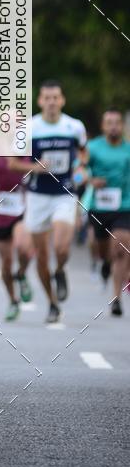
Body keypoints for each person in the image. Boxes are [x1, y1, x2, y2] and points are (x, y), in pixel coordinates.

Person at [10, 81, 87, 323]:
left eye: (56, 97)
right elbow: (12, 162)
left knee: (62, 248)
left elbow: (83, 154)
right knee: (41, 256)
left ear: (62, 100)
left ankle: (60, 270)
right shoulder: (30, 127)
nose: (52, 102)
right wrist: (34, 167)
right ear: (40, 101)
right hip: (38, 196)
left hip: (65, 193)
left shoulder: (74, 127)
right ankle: (53, 303)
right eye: (47, 98)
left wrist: (80, 169)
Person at [83, 108, 130, 316]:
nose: (113, 126)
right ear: (103, 126)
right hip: (99, 206)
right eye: (109, 122)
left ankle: (116, 299)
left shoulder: (128, 149)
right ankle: (104, 262)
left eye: (117, 122)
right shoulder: (92, 148)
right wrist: (90, 179)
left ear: (122, 126)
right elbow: (79, 171)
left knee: (121, 247)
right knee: (104, 250)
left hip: (124, 206)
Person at [0, 156, 33, 320]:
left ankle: (21, 273)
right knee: (6, 263)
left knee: (23, 249)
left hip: (22, 210)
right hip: (0, 213)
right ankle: (13, 300)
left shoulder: (29, 153)